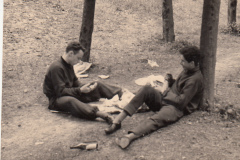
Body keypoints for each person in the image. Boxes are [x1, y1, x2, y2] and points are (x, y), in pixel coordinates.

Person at [104, 46, 204, 149]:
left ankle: (129, 137)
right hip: (168, 100)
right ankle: (117, 121)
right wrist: (169, 81)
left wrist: (165, 92)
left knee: (156, 119)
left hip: (176, 108)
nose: (180, 63)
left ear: (192, 63)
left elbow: (181, 102)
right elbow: (179, 87)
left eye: (183, 61)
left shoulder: (195, 80)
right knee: (146, 89)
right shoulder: (188, 69)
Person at [43, 41, 122, 123]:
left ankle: (121, 93)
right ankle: (100, 114)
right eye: (78, 58)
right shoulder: (57, 67)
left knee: (97, 84)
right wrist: (80, 90)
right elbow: (60, 92)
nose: (79, 61)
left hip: (71, 92)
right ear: (70, 54)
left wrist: (86, 87)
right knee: (70, 101)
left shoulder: (69, 64)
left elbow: (75, 82)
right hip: (57, 99)